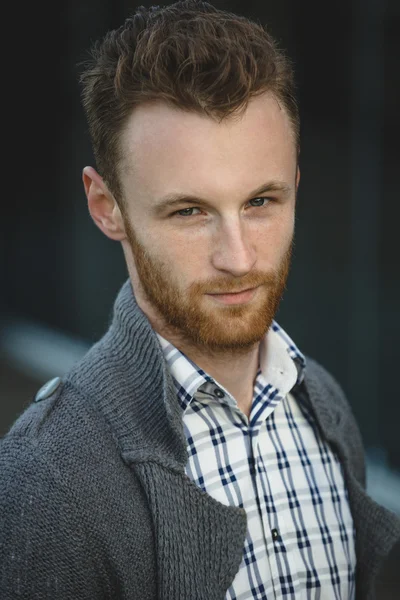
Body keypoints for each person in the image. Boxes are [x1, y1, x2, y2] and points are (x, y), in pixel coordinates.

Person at [1, 1, 399, 598]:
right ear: (106, 206)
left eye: (261, 202)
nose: (238, 257)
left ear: (295, 182)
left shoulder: (325, 406)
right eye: (189, 212)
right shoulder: (46, 478)